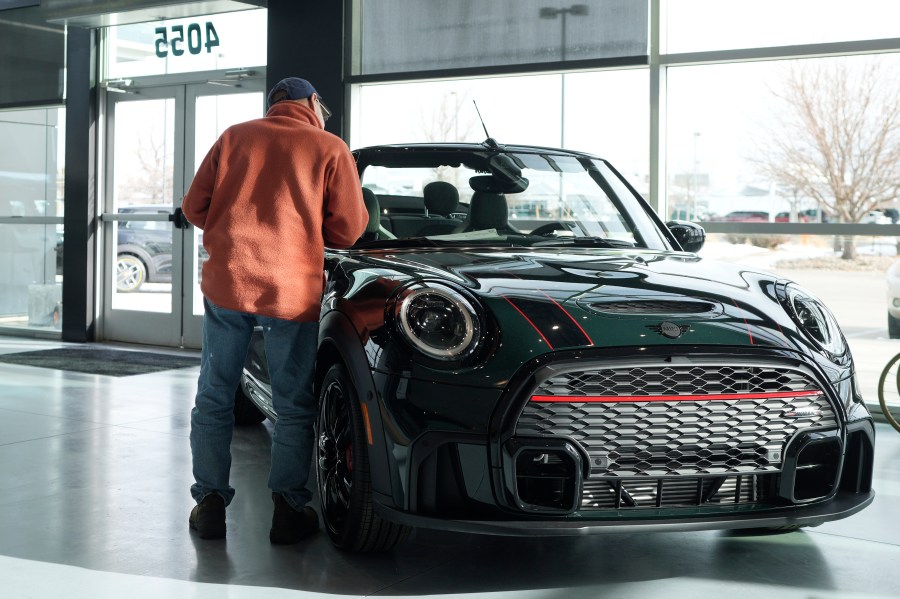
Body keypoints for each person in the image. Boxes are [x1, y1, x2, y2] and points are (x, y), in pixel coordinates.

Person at [182, 77, 368, 544]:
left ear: (273, 106)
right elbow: (348, 231)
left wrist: (231, 224)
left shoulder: (234, 137)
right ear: (311, 102)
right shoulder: (329, 148)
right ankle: (288, 507)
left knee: (215, 394)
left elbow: (193, 207)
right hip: (291, 289)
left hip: (229, 283)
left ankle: (208, 503)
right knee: (292, 403)